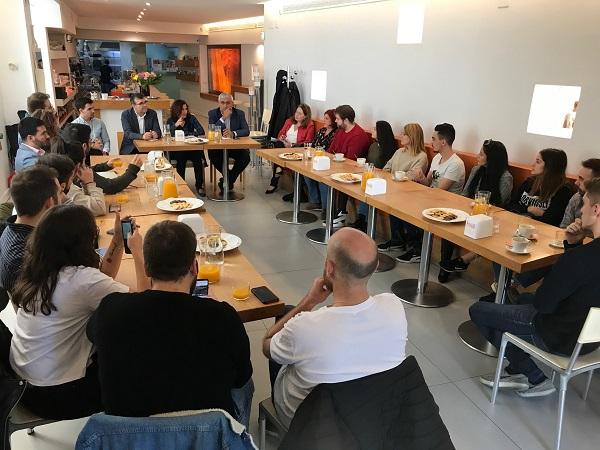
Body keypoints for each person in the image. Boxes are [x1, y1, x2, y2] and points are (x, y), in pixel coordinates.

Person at [87, 221, 253, 424]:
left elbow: (93, 335)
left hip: (130, 439)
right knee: (247, 384)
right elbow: (241, 376)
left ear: (147, 268)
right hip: (204, 439)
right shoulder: (222, 316)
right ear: (194, 266)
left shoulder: (110, 310)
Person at [9, 204, 146, 420]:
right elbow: (145, 306)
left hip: (22, 387)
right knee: (131, 343)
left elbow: (103, 277)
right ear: (83, 242)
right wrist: (138, 253)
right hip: (58, 397)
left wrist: (118, 240)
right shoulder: (82, 281)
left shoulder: (39, 270)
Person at [262, 228, 407, 427]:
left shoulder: (304, 326)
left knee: (283, 333)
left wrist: (309, 301)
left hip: (308, 425)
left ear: (329, 268)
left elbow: (266, 346)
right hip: (370, 418)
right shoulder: (394, 306)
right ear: (374, 268)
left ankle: (273, 421)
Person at [472, 177, 600, 398]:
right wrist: (573, 243)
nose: (581, 210)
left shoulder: (581, 258)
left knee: (480, 310)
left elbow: (543, 303)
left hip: (557, 335)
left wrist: (572, 251)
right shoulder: (584, 255)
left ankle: (534, 377)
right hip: (589, 341)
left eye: (585, 203)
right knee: (520, 301)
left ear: (596, 210)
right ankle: (516, 368)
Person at [507, 158, 600, 297]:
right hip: (573, 247)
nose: (576, 182)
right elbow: (564, 227)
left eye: (581, 179)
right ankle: (509, 287)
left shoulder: (564, 190)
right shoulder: (576, 198)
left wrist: (582, 235)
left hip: (583, 260)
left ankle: (510, 288)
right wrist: (573, 235)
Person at [438, 139, 513, 281]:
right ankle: (445, 264)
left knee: (483, 230)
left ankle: (461, 261)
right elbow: (465, 194)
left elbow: (500, 207)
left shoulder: (505, 178)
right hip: (469, 210)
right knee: (450, 222)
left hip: (490, 217)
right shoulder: (476, 170)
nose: (478, 157)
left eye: (482, 154)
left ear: (492, 159)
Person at [396, 123, 465, 263]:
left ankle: (417, 250)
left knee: (409, 206)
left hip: (447, 205)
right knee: (399, 203)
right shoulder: (436, 158)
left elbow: (439, 191)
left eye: (433, 139)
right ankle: (411, 246)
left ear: (443, 142)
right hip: (431, 198)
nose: (430, 142)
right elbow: (429, 184)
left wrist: (422, 189)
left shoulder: (456, 164)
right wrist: (421, 178)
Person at [357, 122, 429, 238]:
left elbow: (412, 177)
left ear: (412, 137)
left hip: (408, 193)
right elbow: (386, 168)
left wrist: (393, 175)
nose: (401, 136)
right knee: (367, 189)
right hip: (392, 187)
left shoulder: (421, 156)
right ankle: (362, 221)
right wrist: (394, 176)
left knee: (395, 201)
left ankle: (402, 239)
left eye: (404, 134)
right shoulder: (399, 151)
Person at [0, 166, 62, 296]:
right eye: (60, 192)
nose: (63, 196)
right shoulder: (29, 256)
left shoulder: (11, 230)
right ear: (49, 202)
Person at [319, 105, 371, 227]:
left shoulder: (358, 135)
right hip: (338, 166)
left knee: (335, 180)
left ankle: (340, 213)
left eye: (337, 118)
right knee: (321, 177)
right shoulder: (340, 131)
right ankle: (329, 210)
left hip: (353, 171)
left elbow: (350, 161)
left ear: (346, 120)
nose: (335, 121)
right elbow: (331, 150)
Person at [61, 122, 143, 195]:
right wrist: (133, 169)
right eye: (90, 141)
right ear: (84, 146)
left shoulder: (66, 159)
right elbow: (111, 186)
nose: (92, 144)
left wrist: (105, 166)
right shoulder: (77, 167)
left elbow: (88, 170)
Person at [506, 148, 572, 226]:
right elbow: (510, 205)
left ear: (550, 166)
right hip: (517, 223)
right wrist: (529, 209)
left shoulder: (563, 190)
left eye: (538, 162)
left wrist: (532, 218)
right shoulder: (529, 182)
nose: (533, 165)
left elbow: (553, 220)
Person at [266, 103, 315, 194]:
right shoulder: (289, 121)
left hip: (296, 149)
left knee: (278, 147)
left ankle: (275, 179)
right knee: (278, 144)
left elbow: (308, 142)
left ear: (305, 116)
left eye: (300, 113)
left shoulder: (309, 125)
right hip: (283, 145)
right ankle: (279, 168)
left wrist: (292, 145)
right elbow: (280, 133)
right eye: (296, 112)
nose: (296, 115)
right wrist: (282, 137)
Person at [56, 132, 107, 216]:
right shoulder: (66, 187)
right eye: (84, 161)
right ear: (78, 166)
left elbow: (85, 200)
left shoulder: (65, 178)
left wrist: (85, 185)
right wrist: (90, 183)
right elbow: (99, 208)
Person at [207, 93, 250, 193]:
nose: (225, 105)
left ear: (232, 103)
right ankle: (229, 180)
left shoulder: (239, 113)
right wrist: (223, 118)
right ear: (218, 103)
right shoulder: (212, 113)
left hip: (235, 147)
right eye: (222, 103)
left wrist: (233, 133)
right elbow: (211, 131)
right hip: (219, 148)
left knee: (245, 157)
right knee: (213, 155)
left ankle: (228, 180)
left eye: (228, 103)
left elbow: (246, 131)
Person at [166, 99, 207, 196]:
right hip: (177, 150)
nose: (185, 111)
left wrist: (186, 134)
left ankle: (199, 185)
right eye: (182, 109)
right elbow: (167, 134)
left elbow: (201, 131)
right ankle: (181, 184)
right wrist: (176, 125)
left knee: (197, 155)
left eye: (186, 109)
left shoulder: (191, 118)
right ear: (176, 111)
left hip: (190, 147)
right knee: (181, 157)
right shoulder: (171, 120)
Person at [304, 109, 338, 210]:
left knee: (323, 179)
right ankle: (315, 200)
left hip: (326, 161)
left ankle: (325, 207)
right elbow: (313, 144)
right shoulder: (321, 131)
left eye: (327, 118)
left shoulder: (335, 133)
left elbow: (331, 150)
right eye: (324, 118)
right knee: (306, 173)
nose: (324, 120)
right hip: (315, 159)